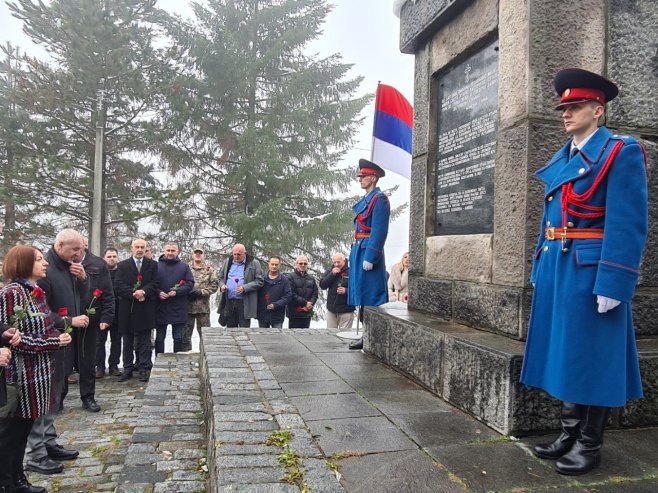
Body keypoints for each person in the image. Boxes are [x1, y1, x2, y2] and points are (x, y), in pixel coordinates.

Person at [520, 68, 649, 476]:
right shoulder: (567, 156)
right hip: (560, 264)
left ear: (598, 109)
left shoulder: (620, 151)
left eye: (575, 106)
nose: (566, 113)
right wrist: (541, 262)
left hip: (593, 269)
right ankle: (569, 433)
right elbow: (551, 218)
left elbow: (629, 224)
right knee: (567, 354)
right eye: (564, 107)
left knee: (593, 356)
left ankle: (590, 444)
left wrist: (615, 279)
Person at [0, 245, 73, 493]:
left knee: (23, 431)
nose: (45, 264)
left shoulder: (34, 291)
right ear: (23, 264)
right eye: (39, 260)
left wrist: (57, 334)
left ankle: (17, 478)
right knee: (11, 433)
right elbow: (14, 339)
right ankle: (8, 482)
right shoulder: (12, 293)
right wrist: (54, 341)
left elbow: (39, 327)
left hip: (39, 373)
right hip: (21, 375)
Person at [26, 229, 89, 476]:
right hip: (47, 345)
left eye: (82, 249)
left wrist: (84, 280)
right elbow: (38, 313)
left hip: (63, 344)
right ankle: (36, 453)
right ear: (60, 245)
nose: (79, 254)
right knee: (42, 401)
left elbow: (80, 300)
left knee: (53, 399)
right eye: (75, 249)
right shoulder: (44, 271)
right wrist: (69, 321)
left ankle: (49, 442)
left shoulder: (69, 268)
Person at [347, 159, 390, 350]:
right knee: (362, 294)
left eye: (363, 177)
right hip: (359, 248)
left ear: (373, 178)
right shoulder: (368, 199)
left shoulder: (379, 199)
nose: (360, 180)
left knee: (371, 296)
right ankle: (367, 335)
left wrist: (370, 257)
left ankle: (372, 336)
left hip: (368, 252)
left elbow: (380, 231)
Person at [114, 239, 159, 383]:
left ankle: (144, 368)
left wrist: (144, 292)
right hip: (128, 307)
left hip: (145, 307)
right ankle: (127, 368)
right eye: (137, 247)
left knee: (145, 340)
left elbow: (156, 283)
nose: (139, 249)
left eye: (142, 247)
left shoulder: (152, 265)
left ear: (146, 249)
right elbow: (118, 284)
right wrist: (133, 293)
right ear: (131, 248)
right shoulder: (122, 265)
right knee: (127, 339)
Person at [76, 243, 114, 412]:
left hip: (90, 317)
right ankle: (59, 396)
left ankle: (88, 396)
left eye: (79, 246)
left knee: (87, 360)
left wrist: (107, 316)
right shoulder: (60, 262)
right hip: (66, 318)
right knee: (64, 360)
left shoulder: (98, 264)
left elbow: (107, 291)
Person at [155, 243, 194, 354]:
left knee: (178, 338)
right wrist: (158, 292)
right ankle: (159, 361)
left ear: (178, 252)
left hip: (178, 307)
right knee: (159, 338)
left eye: (173, 250)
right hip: (160, 307)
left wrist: (177, 292)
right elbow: (151, 284)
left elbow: (190, 283)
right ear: (164, 251)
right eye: (168, 250)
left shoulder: (184, 267)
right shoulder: (156, 266)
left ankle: (177, 361)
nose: (170, 253)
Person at [217, 244, 264, 328]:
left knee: (244, 330)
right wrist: (222, 286)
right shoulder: (227, 262)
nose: (236, 256)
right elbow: (220, 278)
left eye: (239, 254)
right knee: (231, 330)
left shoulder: (254, 263)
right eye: (234, 254)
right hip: (229, 301)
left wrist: (244, 288)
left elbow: (259, 281)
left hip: (244, 303)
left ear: (244, 253)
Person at [183, 246, 219, 352]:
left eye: (200, 253)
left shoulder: (209, 270)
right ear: (192, 255)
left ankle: (205, 358)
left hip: (203, 309)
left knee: (205, 337)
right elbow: (178, 283)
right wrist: (186, 292)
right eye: (196, 253)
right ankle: (185, 359)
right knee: (185, 338)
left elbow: (214, 286)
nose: (198, 254)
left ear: (204, 256)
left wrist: (202, 292)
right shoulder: (185, 268)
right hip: (187, 308)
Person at [96, 248, 122, 378]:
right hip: (102, 312)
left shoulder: (121, 272)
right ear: (104, 258)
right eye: (109, 256)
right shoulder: (99, 272)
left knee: (116, 340)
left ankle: (114, 365)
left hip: (118, 311)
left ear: (117, 258)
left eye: (114, 256)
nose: (112, 258)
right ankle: (100, 367)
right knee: (100, 341)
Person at [319, 253, 355, 329]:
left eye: (338, 262)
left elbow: (358, 290)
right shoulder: (330, 270)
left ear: (344, 261)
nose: (336, 264)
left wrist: (346, 291)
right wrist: (332, 274)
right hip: (332, 310)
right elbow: (322, 285)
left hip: (346, 310)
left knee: (345, 335)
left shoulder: (352, 272)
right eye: (334, 262)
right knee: (330, 334)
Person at [257, 256, 292, 329]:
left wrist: (276, 305)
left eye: (276, 264)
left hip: (277, 316)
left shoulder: (284, 280)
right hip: (263, 315)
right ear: (268, 264)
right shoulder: (261, 278)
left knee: (277, 339)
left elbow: (288, 296)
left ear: (279, 265)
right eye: (272, 264)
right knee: (262, 338)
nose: (274, 266)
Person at [286, 256, 318, 329]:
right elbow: (291, 294)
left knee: (305, 337)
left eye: (305, 263)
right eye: (300, 263)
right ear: (296, 264)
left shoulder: (311, 278)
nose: (303, 265)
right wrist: (305, 303)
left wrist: (310, 304)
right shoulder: (290, 277)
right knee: (293, 336)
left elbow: (315, 293)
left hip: (307, 313)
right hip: (294, 313)